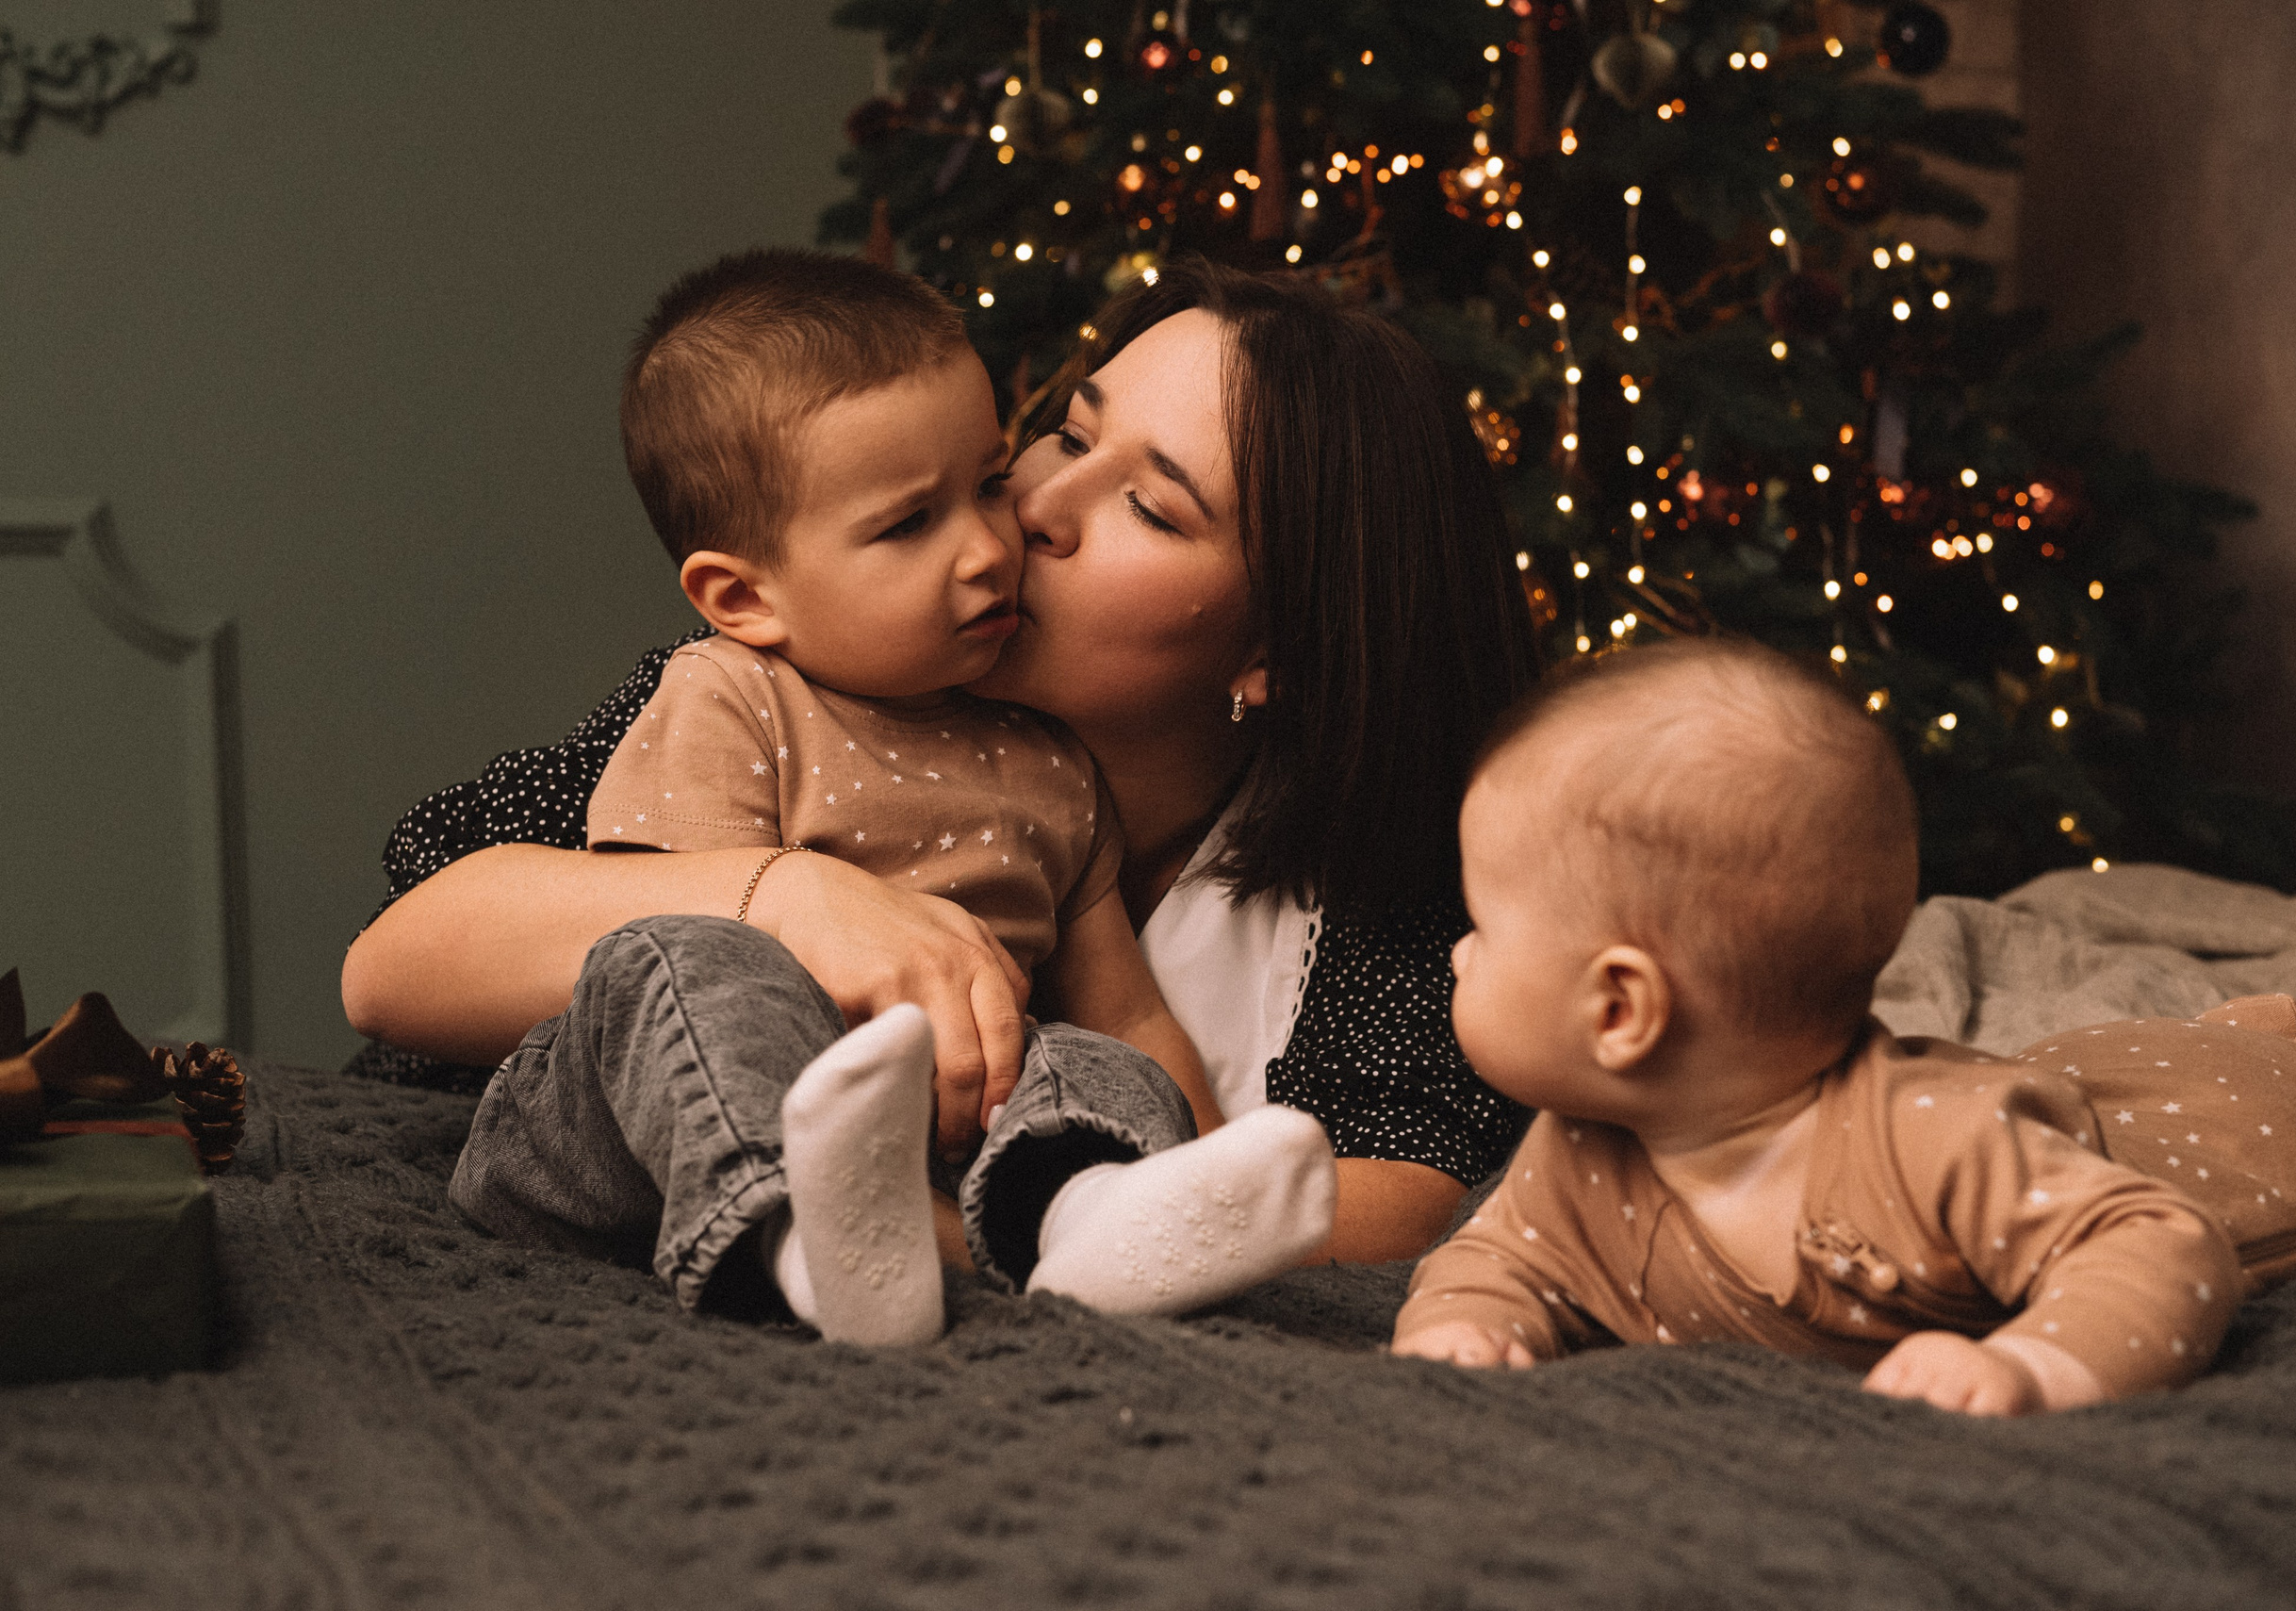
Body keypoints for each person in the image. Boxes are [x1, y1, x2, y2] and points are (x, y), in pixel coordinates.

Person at [341, 256, 1539, 1323]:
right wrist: (797, 899)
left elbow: (1388, 1201)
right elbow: (395, 965)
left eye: (1150, 506)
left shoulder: (1357, 887)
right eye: (1068, 437)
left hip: (972, 1207)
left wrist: (1009, 1225)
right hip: (618, 1140)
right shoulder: (779, 683)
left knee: (1098, 1070)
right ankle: (791, 1221)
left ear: (1276, 647)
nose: (1032, 511)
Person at [1391, 640, 2296, 1415]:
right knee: (2092, 1072)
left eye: (1481, 924)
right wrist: (1467, 1325)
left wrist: (2028, 1362)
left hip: (2227, 1124)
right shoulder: (1579, 1152)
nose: (1457, 952)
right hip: (2059, 1086)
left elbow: (2157, 1238)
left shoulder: (1933, 1140)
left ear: (1620, 1009)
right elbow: (1494, 1258)